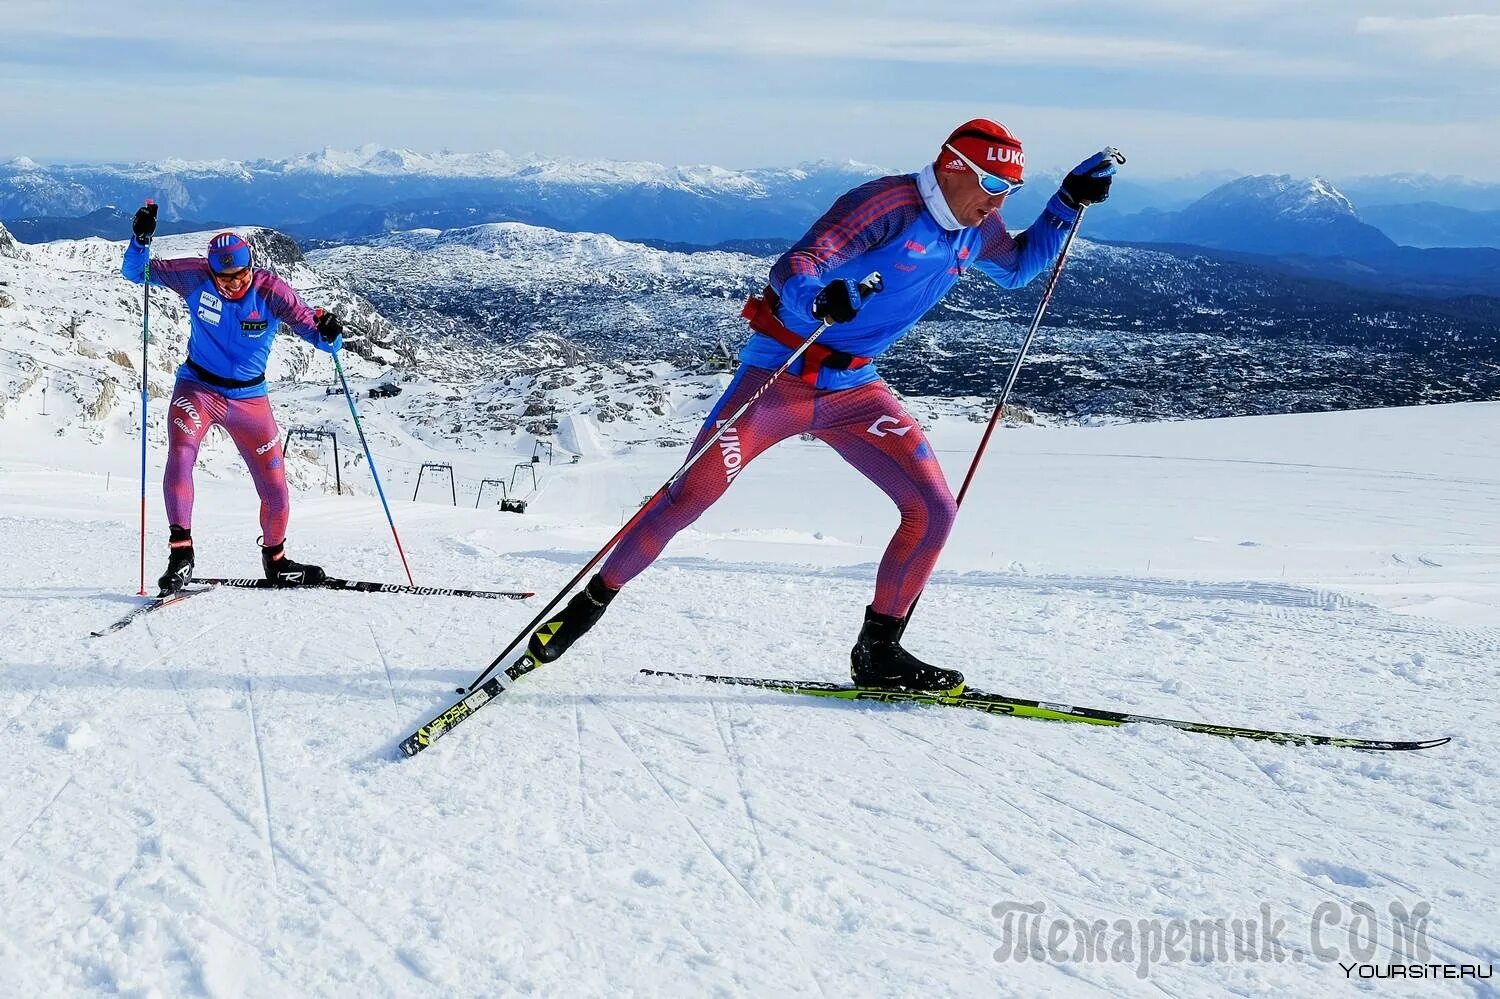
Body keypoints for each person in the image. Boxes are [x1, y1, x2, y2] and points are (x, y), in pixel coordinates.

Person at [532, 119, 1118, 691]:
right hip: (781, 377)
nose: (998, 202)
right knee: (689, 496)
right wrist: (820, 300)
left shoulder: (975, 227)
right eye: (992, 186)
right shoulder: (887, 205)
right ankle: (579, 613)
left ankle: (879, 653)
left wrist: (1066, 203)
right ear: (950, 168)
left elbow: (1017, 269)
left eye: (1010, 190)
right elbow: (799, 264)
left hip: (854, 390)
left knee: (934, 508)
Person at [122, 203, 346, 594]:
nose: (230, 285)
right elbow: (134, 272)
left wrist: (331, 331)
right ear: (211, 270)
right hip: (198, 388)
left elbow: (323, 340)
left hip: (250, 400)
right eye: (222, 278)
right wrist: (140, 240)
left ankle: (276, 561)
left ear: (251, 267)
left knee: (276, 487)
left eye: (238, 276)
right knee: (181, 455)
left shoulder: (271, 291)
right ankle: (181, 554)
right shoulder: (194, 276)